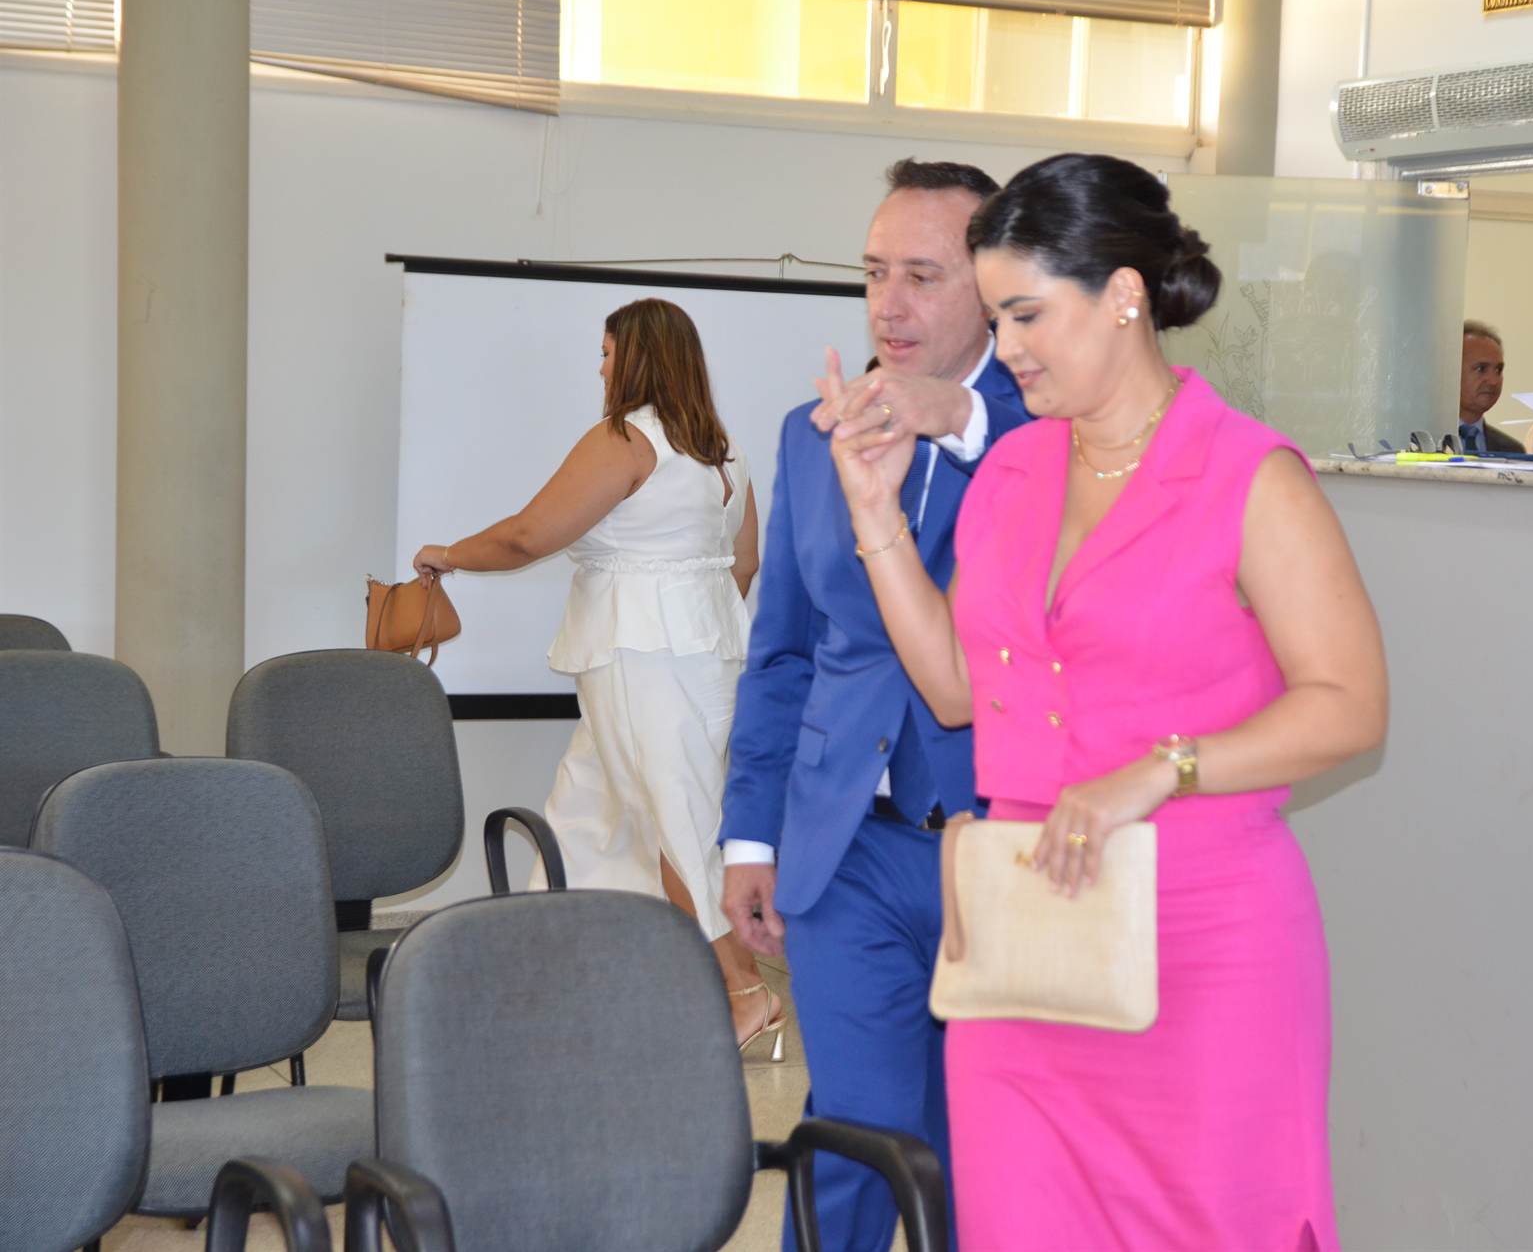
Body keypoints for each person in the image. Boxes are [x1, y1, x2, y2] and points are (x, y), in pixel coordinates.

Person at [826, 153, 1388, 1249]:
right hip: (1025, 950)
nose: (1008, 347)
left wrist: (1164, 767)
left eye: (1028, 314)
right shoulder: (1013, 473)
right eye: (998, 317)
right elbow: (955, 691)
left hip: (1206, 949)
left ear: (1124, 294)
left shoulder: (1248, 474)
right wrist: (875, 513)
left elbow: (1351, 703)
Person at [717, 158, 1029, 1252]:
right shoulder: (814, 434)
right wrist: (751, 833)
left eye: (922, 276)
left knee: (982, 1154)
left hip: (1002, 845)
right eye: (873, 273)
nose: (888, 304)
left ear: (993, 287)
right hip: (847, 845)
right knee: (862, 1129)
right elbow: (782, 653)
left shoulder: (1051, 430)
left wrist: (963, 416)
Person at [412, 298, 780, 1052]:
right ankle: (580, 977)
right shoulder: (725, 453)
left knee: (675, 826)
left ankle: (746, 994)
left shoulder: (625, 439)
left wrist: (446, 554)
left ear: (637, 357)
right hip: (698, 659)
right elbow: (742, 564)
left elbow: (529, 535)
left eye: (608, 352)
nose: (601, 366)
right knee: (588, 815)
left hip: (640, 661)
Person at [1459, 320, 1524, 454]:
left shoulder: (1513, 451)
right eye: (1481, 369)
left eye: (1498, 370)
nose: (1494, 381)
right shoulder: (1421, 443)